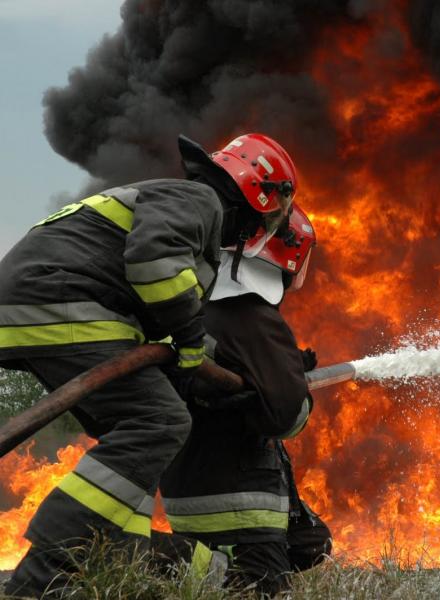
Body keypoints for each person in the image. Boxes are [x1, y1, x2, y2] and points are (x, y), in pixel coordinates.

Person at [0, 132, 299, 598]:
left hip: (46, 305)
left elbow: (154, 305)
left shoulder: (182, 204)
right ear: (261, 193)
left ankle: (112, 557)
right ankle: (45, 572)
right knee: (158, 420)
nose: (270, 224)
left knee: (134, 437)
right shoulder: (200, 201)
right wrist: (190, 339)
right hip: (61, 302)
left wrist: (205, 362)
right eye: (277, 210)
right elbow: (152, 264)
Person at [153, 203, 332, 597]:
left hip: (187, 491)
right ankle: (164, 561)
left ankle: (204, 567)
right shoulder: (252, 314)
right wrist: (294, 388)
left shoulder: (195, 306)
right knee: (256, 589)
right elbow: (288, 417)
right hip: (239, 502)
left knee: (312, 543)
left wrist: (280, 372)